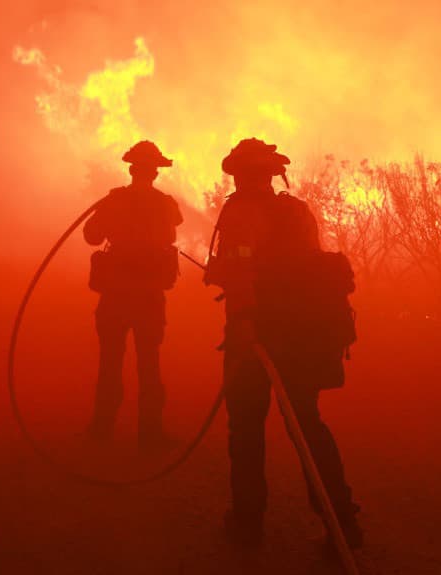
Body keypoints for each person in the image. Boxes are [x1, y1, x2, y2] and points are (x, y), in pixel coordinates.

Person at [204, 138, 362, 548]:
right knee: (307, 425)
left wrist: (241, 318)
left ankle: (246, 523)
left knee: (246, 429)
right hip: (302, 334)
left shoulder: (242, 212)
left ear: (241, 174)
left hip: (256, 335)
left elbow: (240, 270)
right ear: (272, 175)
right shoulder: (298, 211)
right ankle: (342, 522)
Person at [83, 140, 183, 451]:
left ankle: (101, 430)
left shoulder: (114, 200)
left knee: (110, 362)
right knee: (149, 364)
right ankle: (150, 433)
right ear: (154, 173)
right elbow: (173, 231)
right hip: (149, 297)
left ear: (131, 169)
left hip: (115, 295)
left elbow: (91, 236)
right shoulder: (166, 204)